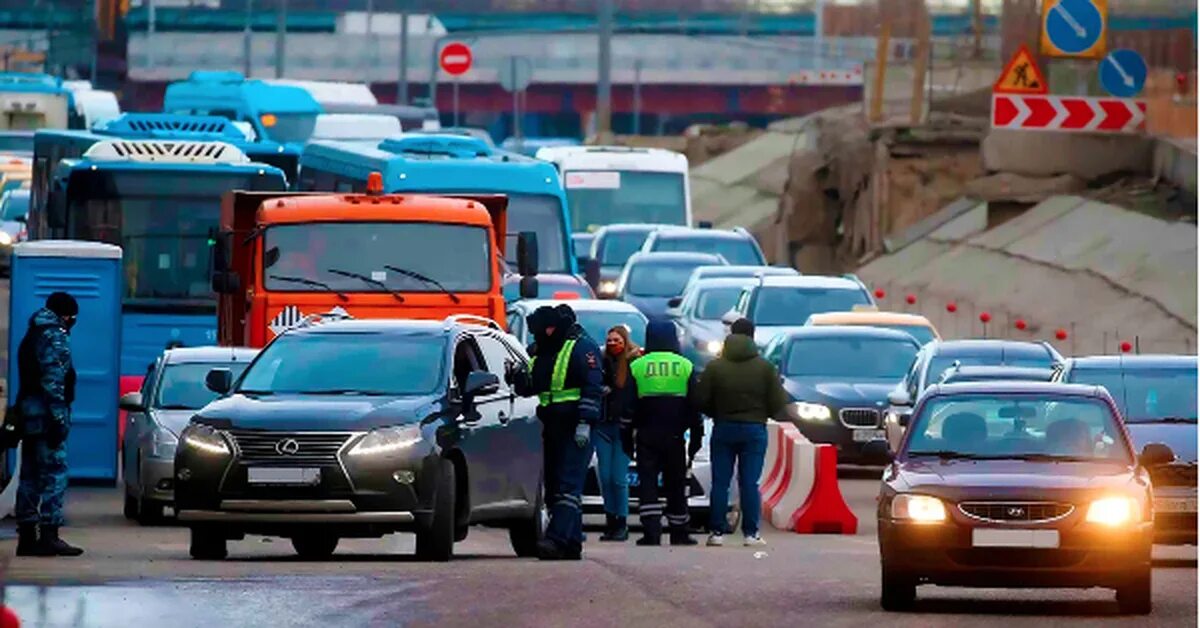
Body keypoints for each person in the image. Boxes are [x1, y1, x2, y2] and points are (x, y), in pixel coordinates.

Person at [511, 304, 604, 560]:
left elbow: (592, 386)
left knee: (567, 484)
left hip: (576, 426)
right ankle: (571, 544)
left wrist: (585, 421)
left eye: (539, 332)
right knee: (554, 486)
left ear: (551, 328)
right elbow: (529, 387)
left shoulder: (583, 347)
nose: (535, 337)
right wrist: (517, 375)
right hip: (552, 425)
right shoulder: (544, 349)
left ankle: (556, 539)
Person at [694, 317, 788, 547]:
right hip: (754, 429)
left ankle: (716, 532)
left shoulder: (716, 366)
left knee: (720, 483)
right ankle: (751, 533)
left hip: (724, 427)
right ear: (752, 336)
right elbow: (778, 402)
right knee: (749, 482)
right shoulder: (764, 367)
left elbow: (701, 399)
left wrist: (717, 412)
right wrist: (762, 413)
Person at [14, 292, 83, 557]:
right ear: (66, 315)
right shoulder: (54, 336)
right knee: (55, 472)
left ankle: (28, 536)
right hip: (46, 416)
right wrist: (58, 419)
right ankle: (50, 534)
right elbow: (54, 381)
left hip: (30, 415)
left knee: (30, 475)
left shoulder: (33, 332)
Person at [628, 320, 702, 546]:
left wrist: (625, 439)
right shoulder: (685, 365)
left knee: (648, 483)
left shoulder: (638, 366)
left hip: (646, 434)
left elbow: (627, 407)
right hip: (675, 435)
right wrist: (695, 439)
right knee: (676, 483)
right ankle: (679, 533)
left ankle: (652, 533)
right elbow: (694, 406)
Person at [597, 325, 641, 542]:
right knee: (604, 477)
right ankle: (610, 521)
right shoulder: (601, 361)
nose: (613, 344)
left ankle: (621, 523)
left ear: (625, 341)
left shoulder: (634, 363)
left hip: (623, 428)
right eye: (610, 340)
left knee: (618, 478)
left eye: (617, 340)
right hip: (603, 425)